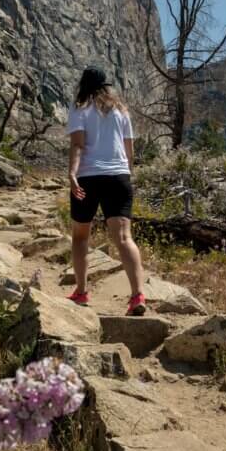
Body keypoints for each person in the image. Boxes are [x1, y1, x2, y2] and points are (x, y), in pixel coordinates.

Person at [66, 66, 146, 316]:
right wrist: (126, 173)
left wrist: (72, 173)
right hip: (118, 177)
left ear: (84, 84)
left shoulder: (79, 108)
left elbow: (78, 145)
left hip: (88, 178)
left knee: (80, 237)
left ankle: (81, 291)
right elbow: (129, 150)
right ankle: (137, 296)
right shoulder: (121, 110)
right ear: (106, 85)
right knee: (124, 238)